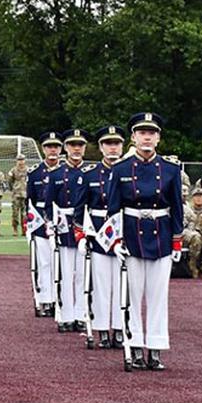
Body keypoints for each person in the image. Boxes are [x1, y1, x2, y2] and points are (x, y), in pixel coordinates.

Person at [104, 112, 183, 371]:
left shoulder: (171, 170)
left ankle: (157, 348)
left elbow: (177, 208)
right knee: (133, 296)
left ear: (158, 138)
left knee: (159, 296)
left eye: (152, 132)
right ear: (133, 137)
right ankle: (135, 347)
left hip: (161, 235)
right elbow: (113, 209)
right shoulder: (120, 169)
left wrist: (177, 241)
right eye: (142, 132)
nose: (147, 137)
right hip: (131, 236)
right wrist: (115, 240)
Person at [73, 126, 126, 348]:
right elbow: (79, 208)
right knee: (101, 285)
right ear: (101, 147)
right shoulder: (89, 175)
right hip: (98, 235)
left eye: (116, 143)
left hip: (125, 234)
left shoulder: (128, 170)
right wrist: (81, 235)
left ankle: (121, 328)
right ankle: (102, 328)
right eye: (108, 143)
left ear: (123, 146)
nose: (112, 147)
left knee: (123, 285)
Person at [47, 129, 91, 333]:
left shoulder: (90, 173)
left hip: (85, 227)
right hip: (64, 227)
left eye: (80, 145)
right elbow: (48, 204)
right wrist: (52, 224)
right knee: (64, 273)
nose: (76, 149)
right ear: (65, 148)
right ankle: (66, 315)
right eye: (72, 145)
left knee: (83, 274)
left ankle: (82, 314)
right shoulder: (56, 174)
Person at [26, 132, 63, 318]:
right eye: (49, 146)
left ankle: (60, 299)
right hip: (40, 222)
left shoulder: (66, 172)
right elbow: (30, 200)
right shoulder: (34, 173)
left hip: (62, 223)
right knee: (44, 263)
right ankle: (47, 300)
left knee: (62, 265)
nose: (53, 150)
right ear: (43, 149)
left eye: (56, 146)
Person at [184, 187, 202, 278]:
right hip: (192, 234)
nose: (199, 198)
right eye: (196, 196)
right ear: (192, 198)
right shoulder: (188, 209)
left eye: (201, 196)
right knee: (196, 239)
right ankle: (193, 267)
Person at [7, 154, 28, 236]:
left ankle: (24, 229)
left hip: (26, 194)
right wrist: (13, 189)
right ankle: (15, 229)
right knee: (15, 213)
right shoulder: (13, 170)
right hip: (16, 194)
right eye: (19, 160)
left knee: (25, 214)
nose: (21, 162)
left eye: (22, 160)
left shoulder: (28, 170)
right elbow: (9, 181)